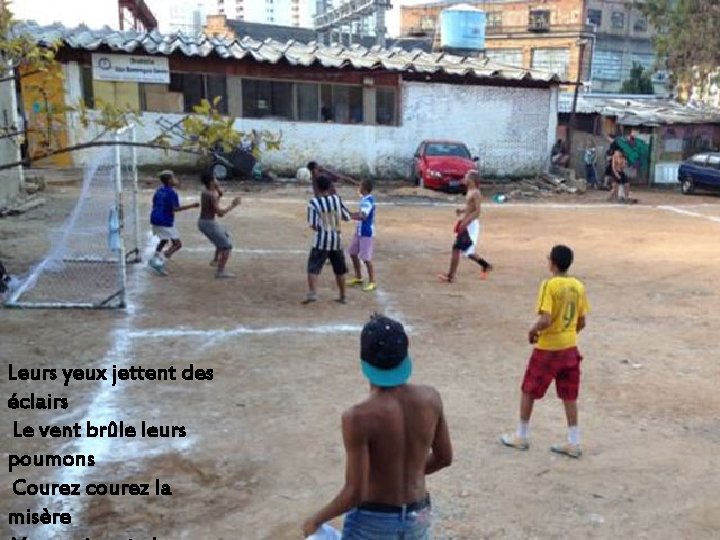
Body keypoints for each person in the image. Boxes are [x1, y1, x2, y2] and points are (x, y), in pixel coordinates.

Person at [302, 314, 453, 539]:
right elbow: (444, 458)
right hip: (418, 513)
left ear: (364, 361)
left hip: (374, 519)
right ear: (405, 357)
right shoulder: (431, 398)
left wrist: (316, 519)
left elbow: (355, 492)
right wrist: (405, 475)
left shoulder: (357, 417)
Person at [500, 245, 590, 458]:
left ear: (554, 264)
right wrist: (568, 334)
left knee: (529, 389)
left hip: (548, 348)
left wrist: (533, 330)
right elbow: (582, 321)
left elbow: (546, 318)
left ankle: (521, 436)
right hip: (570, 347)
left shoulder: (549, 285)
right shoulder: (578, 286)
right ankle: (574, 441)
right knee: (569, 394)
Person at [304, 175, 352, 304]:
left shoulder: (314, 203)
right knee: (340, 270)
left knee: (313, 268)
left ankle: (313, 292)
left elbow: (313, 224)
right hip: (336, 240)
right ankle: (343, 295)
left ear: (317, 188)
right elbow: (347, 216)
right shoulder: (337, 199)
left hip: (321, 240)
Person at [438, 170, 493, 283]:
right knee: (467, 251)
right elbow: (471, 208)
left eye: (466, 176)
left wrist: (466, 222)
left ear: (471, 180)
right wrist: (462, 211)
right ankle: (485, 265)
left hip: (470, 225)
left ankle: (450, 276)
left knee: (456, 248)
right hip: (468, 223)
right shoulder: (471, 191)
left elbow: (477, 212)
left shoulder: (475, 193)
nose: (464, 178)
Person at [148, 170, 198, 276]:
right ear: (170, 180)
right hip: (164, 220)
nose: (176, 179)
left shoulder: (159, 190)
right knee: (177, 244)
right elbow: (175, 208)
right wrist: (192, 206)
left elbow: (154, 203)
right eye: (174, 178)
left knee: (164, 239)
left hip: (155, 218)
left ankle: (155, 256)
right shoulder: (172, 192)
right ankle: (160, 261)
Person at [197, 172, 241, 278]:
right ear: (212, 182)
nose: (218, 181)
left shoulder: (206, 192)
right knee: (226, 246)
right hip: (208, 223)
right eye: (215, 179)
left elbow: (213, 204)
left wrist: (218, 191)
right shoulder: (211, 195)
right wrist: (233, 205)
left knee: (224, 236)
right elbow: (220, 213)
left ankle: (216, 260)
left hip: (205, 222)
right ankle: (220, 272)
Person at [347, 179, 377, 292]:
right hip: (360, 231)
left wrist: (349, 216)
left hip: (366, 232)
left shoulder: (367, 201)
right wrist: (350, 215)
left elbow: (363, 216)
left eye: (360, 186)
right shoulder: (365, 199)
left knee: (366, 258)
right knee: (353, 253)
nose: (358, 188)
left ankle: (372, 282)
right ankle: (359, 277)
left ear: (364, 188)